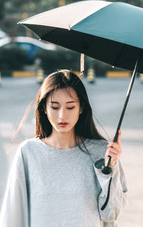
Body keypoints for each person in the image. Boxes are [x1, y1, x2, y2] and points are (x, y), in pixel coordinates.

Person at [0, 70, 128, 227]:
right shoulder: (29, 152)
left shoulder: (101, 153)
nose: (62, 116)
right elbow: (12, 215)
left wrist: (110, 169)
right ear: (44, 109)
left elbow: (111, 215)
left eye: (70, 107)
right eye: (54, 107)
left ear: (81, 108)